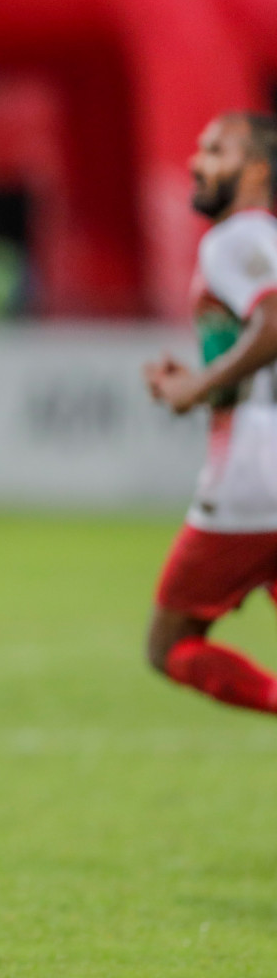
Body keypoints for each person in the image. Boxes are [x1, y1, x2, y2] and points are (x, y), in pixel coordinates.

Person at [143, 111, 277, 715]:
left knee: (171, 646)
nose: (197, 161)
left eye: (216, 150)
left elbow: (275, 321)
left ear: (256, 170)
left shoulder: (236, 239)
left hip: (255, 477)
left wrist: (198, 388)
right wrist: (202, 383)